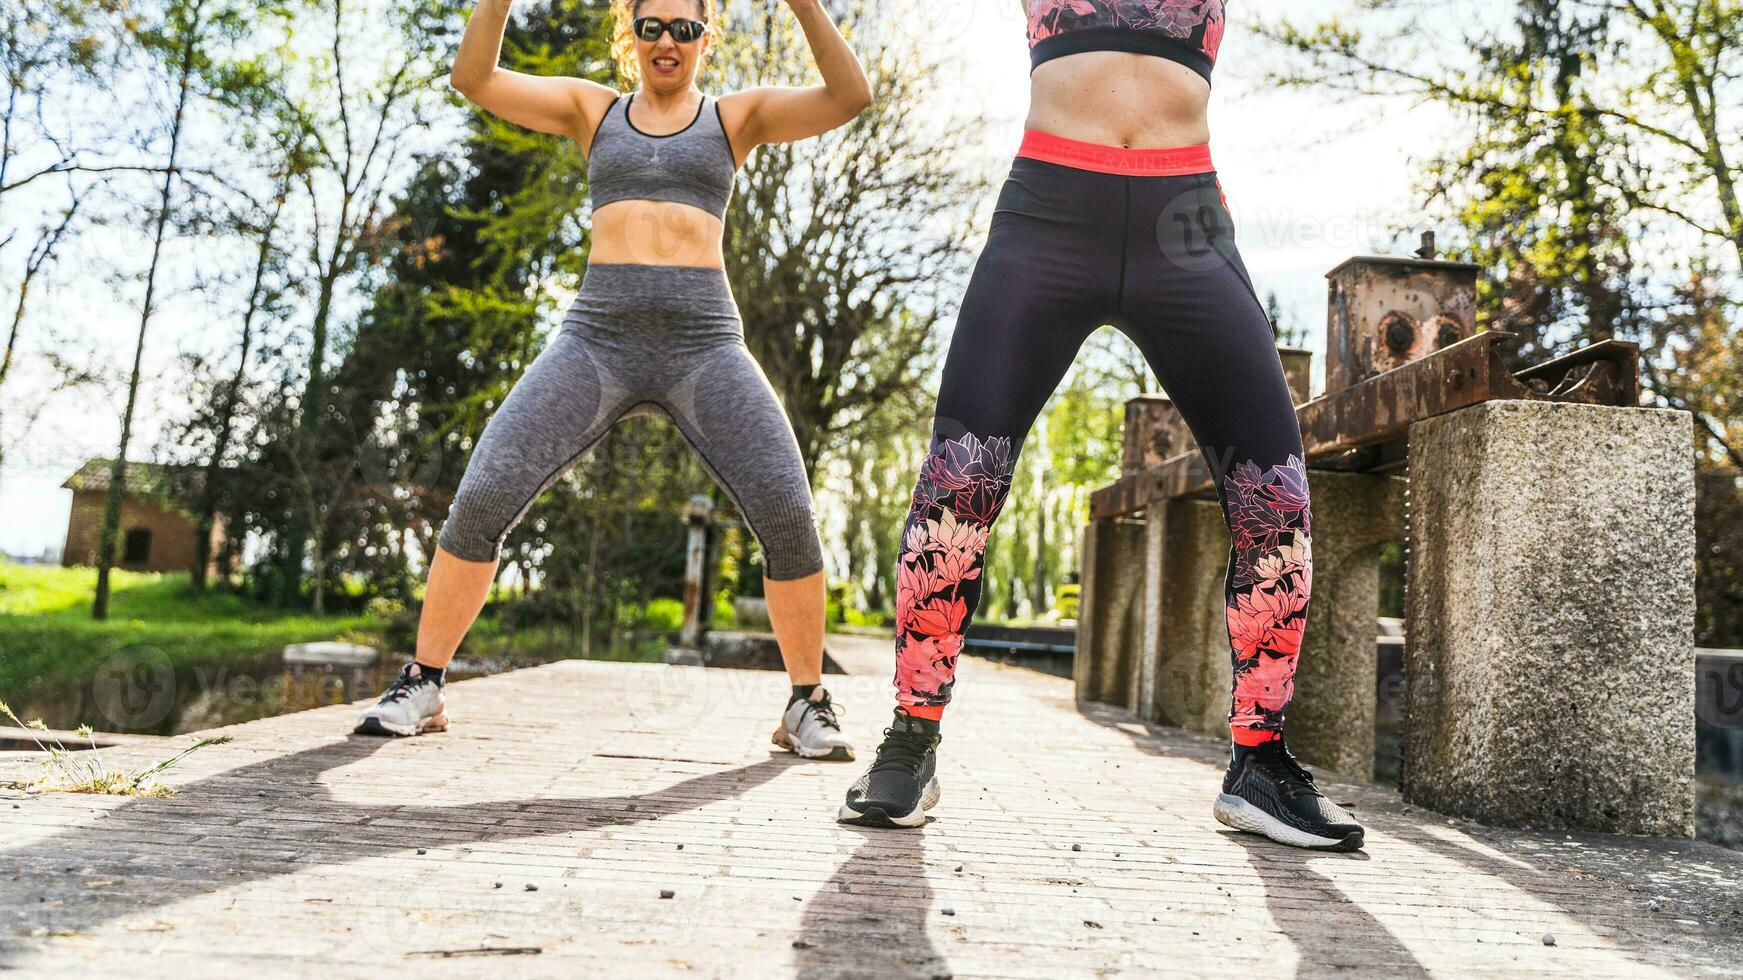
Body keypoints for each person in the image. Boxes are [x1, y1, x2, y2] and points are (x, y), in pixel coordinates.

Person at [837, 0, 1365, 851]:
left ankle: (1259, 766)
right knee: (956, 488)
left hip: (1183, 225)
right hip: (1048, 213)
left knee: (1277, 500)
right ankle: (909, 739)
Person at [355, 0, 872, 764]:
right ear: (628, 35)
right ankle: (424, 681)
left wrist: (801, 3)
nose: (668, 41)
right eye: (652, 26)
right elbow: (473, 77)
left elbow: (849, 96)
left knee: (787, 509)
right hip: (597, 340)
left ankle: (805, 702)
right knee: (485, 492)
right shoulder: (592, 110)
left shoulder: (735, 119)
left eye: (685, 28)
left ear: (706, 40)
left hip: (704, 344)